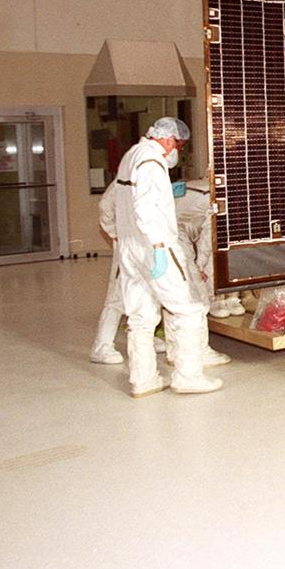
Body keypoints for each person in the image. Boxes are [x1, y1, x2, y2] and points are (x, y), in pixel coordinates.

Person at [113, 117, 222, 396]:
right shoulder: (151, 163)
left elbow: (119, 202)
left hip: (129, 247)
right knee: (188, 308)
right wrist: (159, 247)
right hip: (154, 246)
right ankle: (188, 376)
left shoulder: (131, 156)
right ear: (168, 139)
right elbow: (146, 208)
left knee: (141, 316)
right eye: (178, 144)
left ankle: (143, 379)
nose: (177, 151)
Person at [89, 182, 166, 364]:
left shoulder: (154, 174)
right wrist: (114, 233)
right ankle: (101, 346)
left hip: (149, 246)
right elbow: (105, 207)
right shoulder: (125, 179)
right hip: (128, 245)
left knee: (149, 293)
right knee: (117, 297)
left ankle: (146, 337)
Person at [169, 178, 230, 366]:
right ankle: (200, 351)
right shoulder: (219, 197)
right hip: (172, 234)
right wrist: (200, 266)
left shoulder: (207, 185)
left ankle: (174, 350)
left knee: (174, 296)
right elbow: (210, 237)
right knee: (197, 295)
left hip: (171, 228)